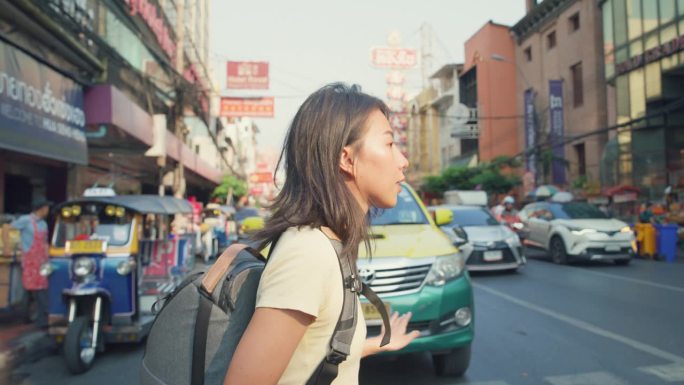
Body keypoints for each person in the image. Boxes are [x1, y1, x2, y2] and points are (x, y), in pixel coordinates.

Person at [223, 83, 418, 385]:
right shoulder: (308, 252)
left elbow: (311, 354)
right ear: (346, 158)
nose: (402, 160)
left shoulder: (329, 244)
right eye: (390, 144)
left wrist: (374, 345)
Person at [2, 199, 52, 328]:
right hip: (30, 260)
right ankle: (39, 320)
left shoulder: (44, 224)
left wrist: (48, 256)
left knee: (38, 289)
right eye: (47, 208)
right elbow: (6, 227)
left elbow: (44, 242)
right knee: (35, 290)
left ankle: (34, 317)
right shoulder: (26, 220)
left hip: (41, 261)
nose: (48, 211)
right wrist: (7, 247)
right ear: (42, 208)